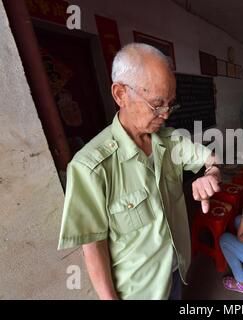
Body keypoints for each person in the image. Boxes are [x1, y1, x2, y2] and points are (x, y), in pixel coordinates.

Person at [57, 44, 221, 300]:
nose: (165, 115)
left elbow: (212, 159)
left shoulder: (170, 141)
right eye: (157, 105)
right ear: (121, 94)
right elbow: (93, 247)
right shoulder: (90, 167)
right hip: (139, 292)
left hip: (176, 270)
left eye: (170, 105)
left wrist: (211, 175)